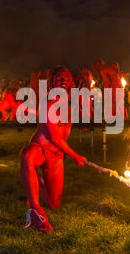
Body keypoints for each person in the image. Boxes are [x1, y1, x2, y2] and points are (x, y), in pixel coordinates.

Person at [20, 66, 87, 233]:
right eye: (58, 77)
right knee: (27, 155)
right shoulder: (49, 102)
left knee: (54, 204)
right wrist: (75, 155)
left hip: (56, 156)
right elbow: (54, 137)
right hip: (41, 148)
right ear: (52, 82)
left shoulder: (69, 104)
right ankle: (36, 211)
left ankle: (38, 183)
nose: (63, 80)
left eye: (66, 77)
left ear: (71, 83)